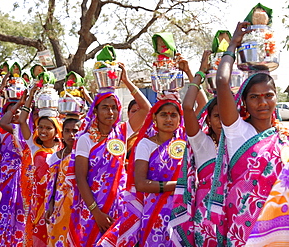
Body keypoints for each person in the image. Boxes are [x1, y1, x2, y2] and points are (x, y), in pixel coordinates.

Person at [209, 21, 288, 246]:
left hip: (281, 228)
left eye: (269, 95)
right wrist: (233, 44)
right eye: (254, 97)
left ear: (276, 98)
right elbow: (223, 82)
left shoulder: (283, 136)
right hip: (245, 228)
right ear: (243, 102)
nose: (263, 102)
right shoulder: (238, 132)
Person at [68, 62, 151, 246]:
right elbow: (80, 178)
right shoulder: (86, 139)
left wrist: (126, 81)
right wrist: (95, 212)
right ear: (95, 111)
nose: (110, 112)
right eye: (105, 107)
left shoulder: (122, 132)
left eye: (114, 107)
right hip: (93, 210)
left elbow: (147, 110)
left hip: (120, 207)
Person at [170, 50, 221, 246]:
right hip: (205, 214)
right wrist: (198, 72)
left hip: (231, 210)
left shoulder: (237, 141)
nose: (222, 121)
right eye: (216, 116)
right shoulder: (201, 142)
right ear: (208, 119)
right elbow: (188, 107)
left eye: (226, 115)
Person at [132, 98, 186, 247]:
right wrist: (177, 185)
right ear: (155, 117)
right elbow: (141, 184)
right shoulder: (146, 144)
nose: (168, 119)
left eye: (173, 115)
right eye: (163, 115)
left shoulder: (186, 143)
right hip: (155, 212)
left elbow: (201, 107)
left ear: (180, 119)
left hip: (182, 211)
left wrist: (193, 74)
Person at [19, 81, 63, 247]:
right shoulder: (34, 146)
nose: (43, 131)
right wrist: (30, 96)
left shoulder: (63, 148)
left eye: (47, 128)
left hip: (57, 200)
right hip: (37, 201)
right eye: (40, 127)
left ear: (56, 130)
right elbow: (22, 120)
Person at [0, 90, 27, 246]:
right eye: (12, 112)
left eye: (19, 112)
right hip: (7, 176)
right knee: (3, 208)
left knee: (22, 210)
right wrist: (17, 103)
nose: (16, 115)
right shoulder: (3, 129)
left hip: (23, 175)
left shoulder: (26, 133)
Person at [44, 118, 81, 247]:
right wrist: (50, 204)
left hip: (80, 205)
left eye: (75, 131)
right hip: (60, 207)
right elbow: (51, 185)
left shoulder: (87, 156)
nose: (71, 135)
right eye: (67, 131)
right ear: (62, 134)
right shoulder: (55, 157)